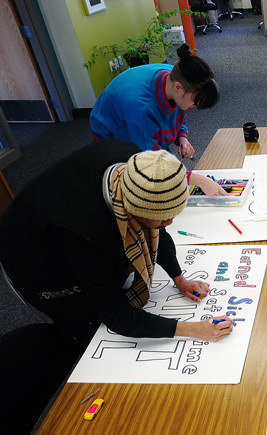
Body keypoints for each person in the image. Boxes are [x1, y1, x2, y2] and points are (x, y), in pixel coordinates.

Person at [0, 140, 233, 350]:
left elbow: (155, 229)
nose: (169, 223)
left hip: (70, 211)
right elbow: (117, 317)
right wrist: (194, 329)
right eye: (164, 219)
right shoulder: (85, 229)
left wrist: (179, 279)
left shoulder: (138, 167)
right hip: (30, 256)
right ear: (134, 211)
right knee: (89, 324)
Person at [90, 43, 223, 196]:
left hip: (140, 127)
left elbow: (179, 112)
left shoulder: (176, 78)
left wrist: (182, 137)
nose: (193, 106)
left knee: (172, 182)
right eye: (194, 102)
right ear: (178, 87)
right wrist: (200, 180)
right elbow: (149, 158)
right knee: (144, 191)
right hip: (115, 138)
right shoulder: (139, 108)